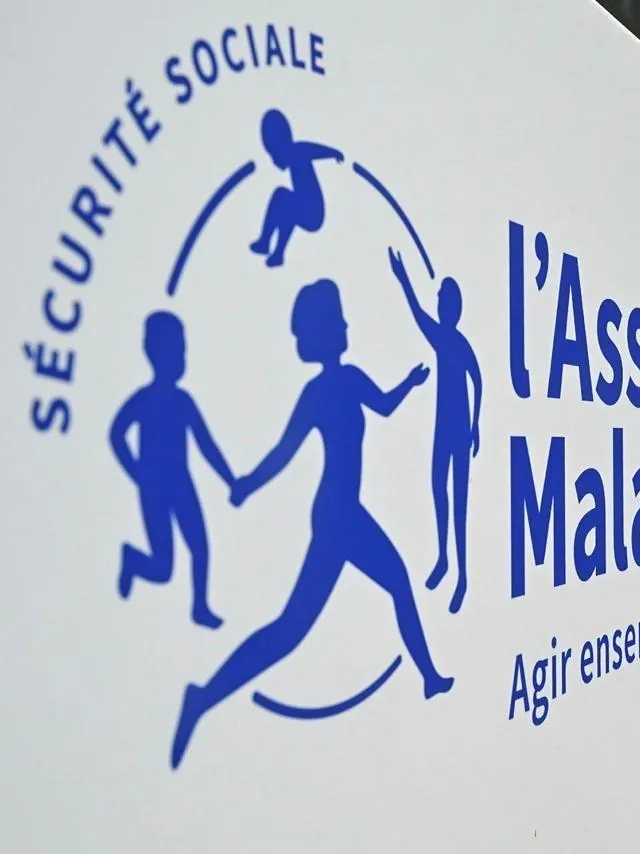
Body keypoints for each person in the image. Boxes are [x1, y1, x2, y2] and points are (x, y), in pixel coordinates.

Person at [169, 278, 454, 770]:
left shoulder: (351, 380)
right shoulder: (318, 393)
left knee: (368, 594)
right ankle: (203, 696)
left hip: (346, 511)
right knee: (293, 629)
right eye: (337, 320)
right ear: (322, 332)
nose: (346, 325)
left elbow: (385, 405)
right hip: (335, 517)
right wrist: (247, 485)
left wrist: (410, 383)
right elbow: (284, 452)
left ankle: (428, 676)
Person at [109, 310, 234, 629]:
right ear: (154, 354)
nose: (181, 358)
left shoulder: (183, 401)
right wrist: (137, 473)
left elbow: (206, 445)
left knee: (200, 547)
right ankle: (133, 560)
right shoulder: (144, 399)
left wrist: (230, 480)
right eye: (176, 351)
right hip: (154, 488)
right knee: (163, 568)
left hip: (181, 484)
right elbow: (117, 433)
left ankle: (200, 606)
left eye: (183, 350)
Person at [388, 247, 483, 615]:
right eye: (439, 299)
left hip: (458, 430)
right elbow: (417, 314)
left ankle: (463, 576)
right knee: (436, 487)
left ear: (453, 308)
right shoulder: (443, 338)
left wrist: (476, 426)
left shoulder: (453, 342)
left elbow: (479, 379)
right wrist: (402, 279)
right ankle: (443, 557)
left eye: (443, 299)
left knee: (460, 501)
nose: (439, 303)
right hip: (443, 429)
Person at [249, 108, 344, 268]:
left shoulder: (297, 150)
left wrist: (334, 153)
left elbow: (313, 149)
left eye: (275, 155)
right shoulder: (295, 154)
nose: (275, 161)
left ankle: (267, 241)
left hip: (313, 212)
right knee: (287, 207)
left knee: (281, 196)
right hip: (305, 208)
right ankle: (277, 253)